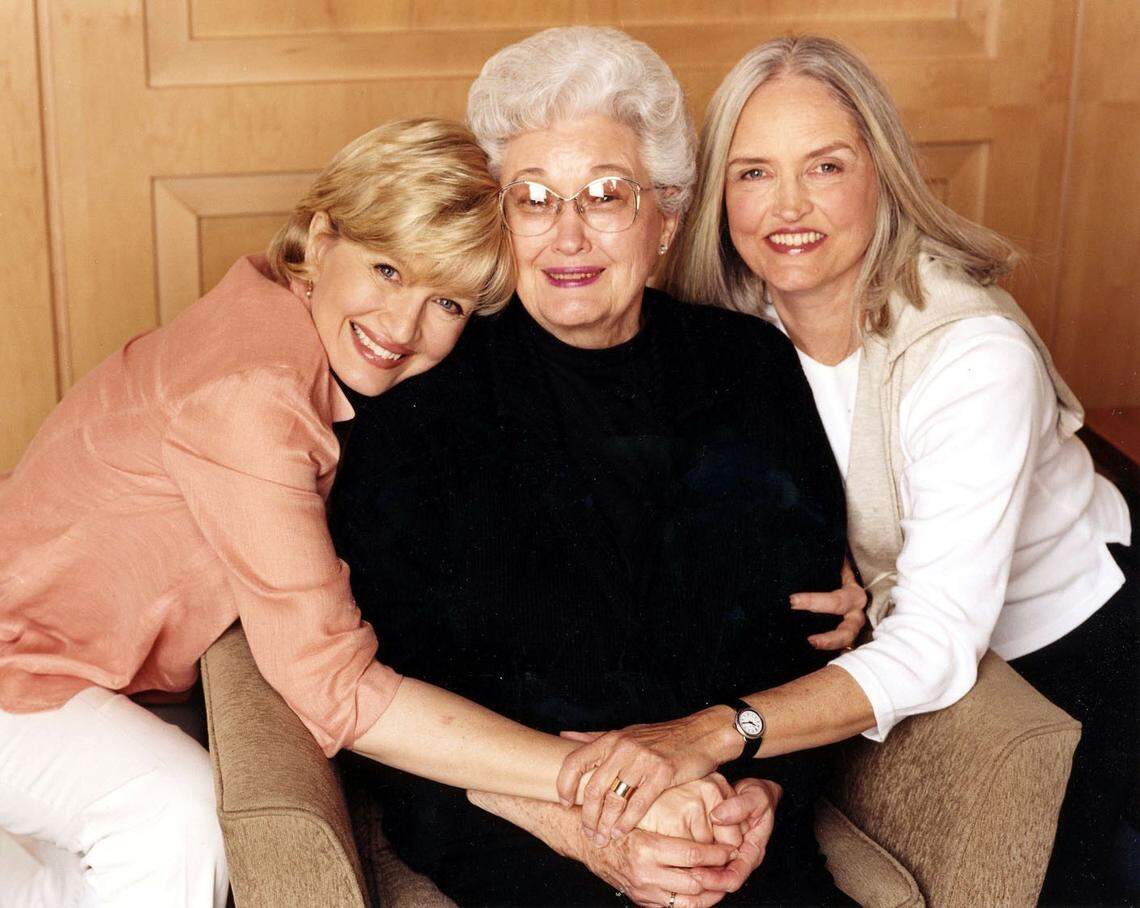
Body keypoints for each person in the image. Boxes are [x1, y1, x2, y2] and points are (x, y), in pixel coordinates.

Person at [558, 35, 1137, 906]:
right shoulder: (730, 316)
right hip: (906, 631)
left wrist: (715, 734)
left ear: (882, 173)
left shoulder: (970, 354)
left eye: (824, 166)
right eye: (752, 173)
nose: (787, 206)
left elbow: (940, 639)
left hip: (1074, 644)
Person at [329, 27, 860, 907]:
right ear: (500, 221)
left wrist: (763, 798)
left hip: (724, 819)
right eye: (534, 199)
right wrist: (581, 827)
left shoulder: (749, 369)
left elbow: (804, 631)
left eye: (606, 195)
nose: (567, 235)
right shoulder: (424, 392)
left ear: (666, 219)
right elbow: (385, 696)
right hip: (522, 831)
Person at [0, 117, 578, 908]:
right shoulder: (255, 394)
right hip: (15, 674)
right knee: (168, 815)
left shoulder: (274, 310)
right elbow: (332, 687)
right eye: (386, 268)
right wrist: (577, 774)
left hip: (51, 665)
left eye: (446, 300)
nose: (403, 327)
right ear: (319, 235)